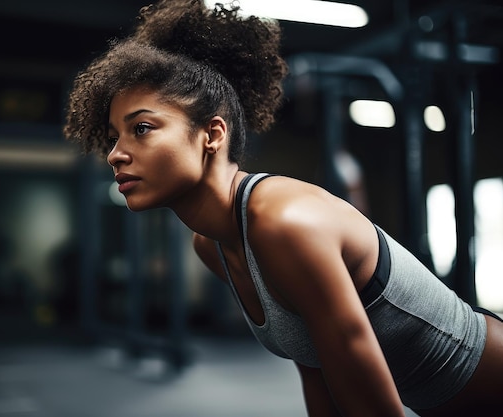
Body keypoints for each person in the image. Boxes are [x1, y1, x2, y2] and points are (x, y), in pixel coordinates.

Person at [63, 1, 503, 415]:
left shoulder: (283, 222)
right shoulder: (211, 245)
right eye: (115, 135)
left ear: (212, 134)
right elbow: (317, 367)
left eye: (141, 128)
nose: (116, 153)